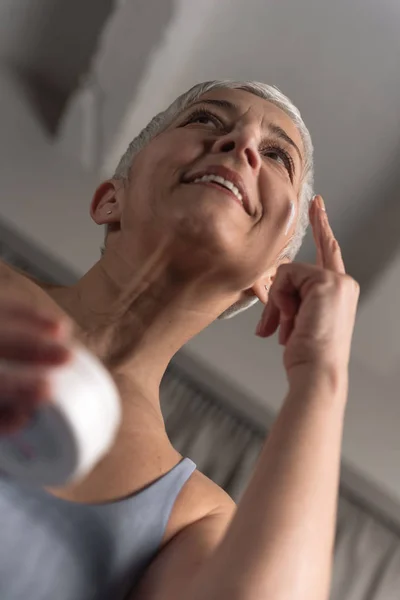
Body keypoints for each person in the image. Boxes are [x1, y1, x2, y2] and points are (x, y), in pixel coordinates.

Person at [0, 80, 359, 600]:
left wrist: (321, 377)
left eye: (277, 155)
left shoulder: (194, 517)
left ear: (269, 281)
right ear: (110, 201)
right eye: (207, 120)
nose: (241, 146)